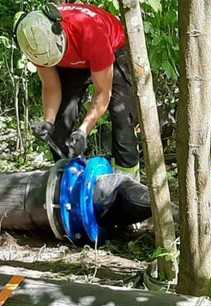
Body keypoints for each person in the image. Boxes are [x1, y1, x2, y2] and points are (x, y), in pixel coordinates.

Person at [15, 3, 139, 178]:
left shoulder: (92, 36)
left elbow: (103, 92)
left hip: (109, 49)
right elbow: (51, 87)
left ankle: (128, 181)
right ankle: (68, 180)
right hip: (71, 58)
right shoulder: (35, 42)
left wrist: (83, 131)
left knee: (123, 119)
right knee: (59, 127)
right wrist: (48, 122)